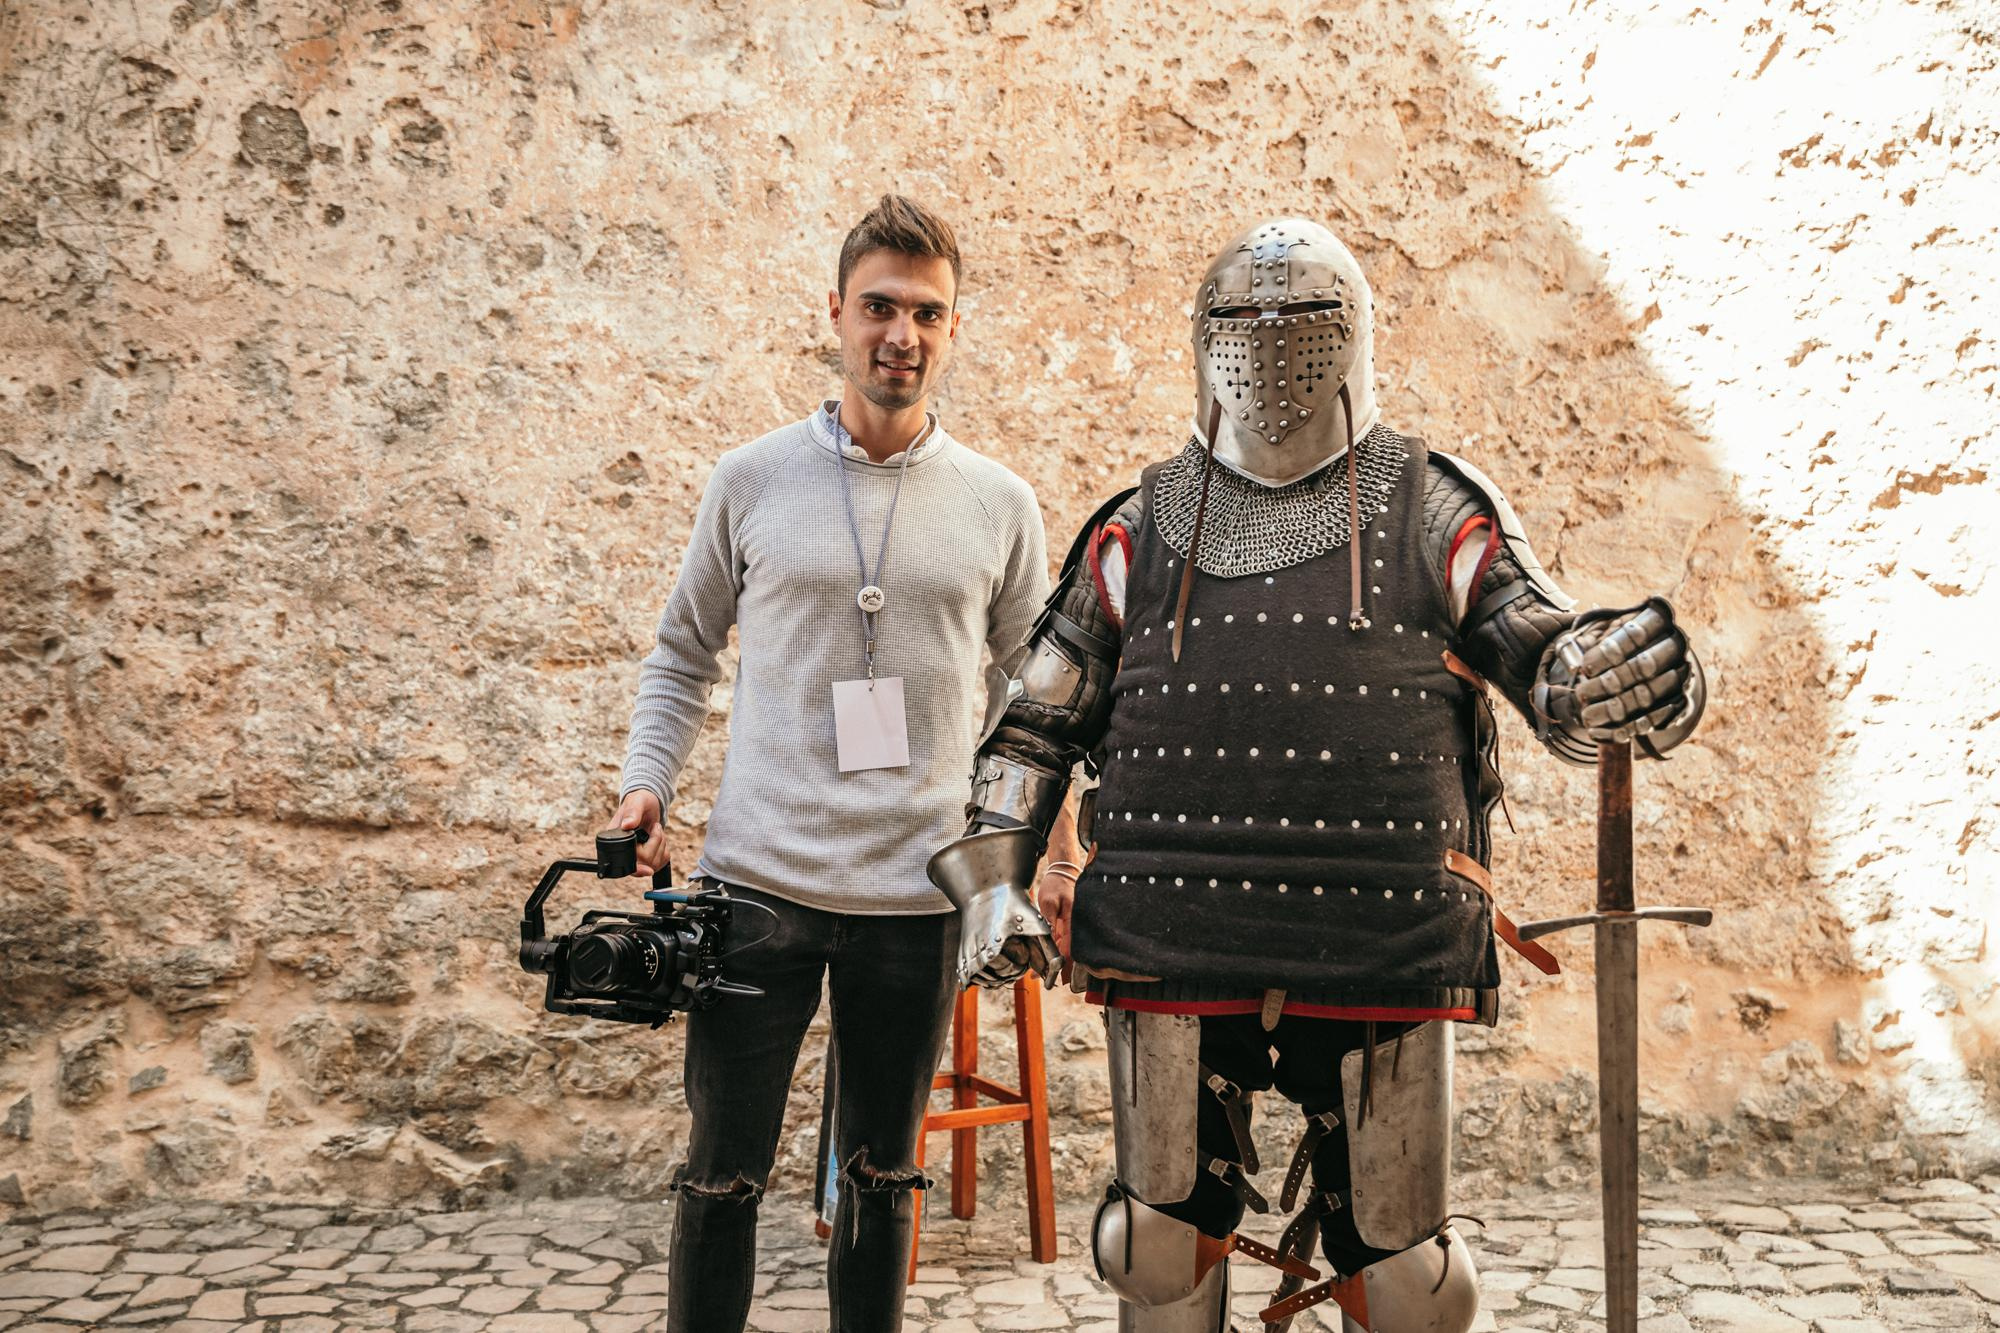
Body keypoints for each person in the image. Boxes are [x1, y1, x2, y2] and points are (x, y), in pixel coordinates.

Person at [928, 216, 1705, 1331]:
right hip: (1170, 929)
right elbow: (1031, 730)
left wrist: (1595, 680)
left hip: (1379, 929)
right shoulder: (1138, 525)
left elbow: (1534, 647)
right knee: (1151, 1245)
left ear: (1354, 335)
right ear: (1205, 340)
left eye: (1305, 322)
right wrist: (993, 885)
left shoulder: (1431, 503)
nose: (1272, 347)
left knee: (1403, 1273)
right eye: (1245, 322)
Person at [612, 194, 1049, 1333]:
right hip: (754, 887)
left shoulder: (1001, 505)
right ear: (835, 315)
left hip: (916, 894)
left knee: (880, 1179)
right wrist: (646, 781)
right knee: (720, 1176)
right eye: (878, 307)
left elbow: (1037, 698)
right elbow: (680, 653)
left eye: (925, 312)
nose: (898, 334)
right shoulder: (749, 479)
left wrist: (1038, 847)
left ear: (952, 329)